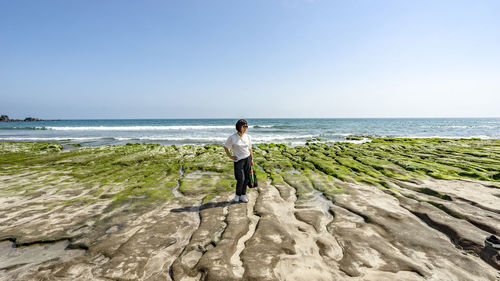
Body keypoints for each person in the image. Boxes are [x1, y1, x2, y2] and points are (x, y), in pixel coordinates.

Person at [224, 119, 253, 203]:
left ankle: (243, 195)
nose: (245, 128)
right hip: (238, 160)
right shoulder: (232, 137)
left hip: (247, 159)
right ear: (239, 127)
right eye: (244, 126)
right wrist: (230, 156)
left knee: (247, 179)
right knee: (241, 178)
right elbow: (225, 147)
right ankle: (237, 195)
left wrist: (252, 159)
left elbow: (250, 148)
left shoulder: (248, 137)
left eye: (246, 126)